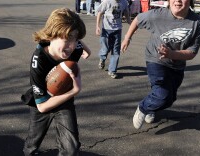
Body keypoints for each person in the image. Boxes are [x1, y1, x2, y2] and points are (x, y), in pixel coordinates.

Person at [121, 0, 200, 129]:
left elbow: (192, 52)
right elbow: (138, 19)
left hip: (176, 64)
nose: (178, 0)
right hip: (155, 59)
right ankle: (143, 107)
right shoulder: (158, 15)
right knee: (162, 95)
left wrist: (171, 54)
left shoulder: (197, 22)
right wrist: (127, 38)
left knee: (169, 99)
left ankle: (150, 108)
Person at [22, 8, 88, 156]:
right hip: (42, 100)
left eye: (75, 38)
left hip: (63, 99)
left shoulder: (74, 48)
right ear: (52, 35)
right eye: (68, 38)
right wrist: (74, 91)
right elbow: (42, 107)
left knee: (71, 148)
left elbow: (80, 46)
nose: (72, 45)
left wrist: (85, 50)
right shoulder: (38, 61)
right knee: (32, 144)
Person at [96, 0, 131, 78]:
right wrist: (97, 27)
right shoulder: (106, 2)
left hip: (117, 30)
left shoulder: (124, 2)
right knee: (105, 48)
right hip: (106, 29)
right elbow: (99, 13)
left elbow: (127, 15)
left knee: (116, 51)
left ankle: (112, 70)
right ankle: (102, 58)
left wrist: (131, 26)